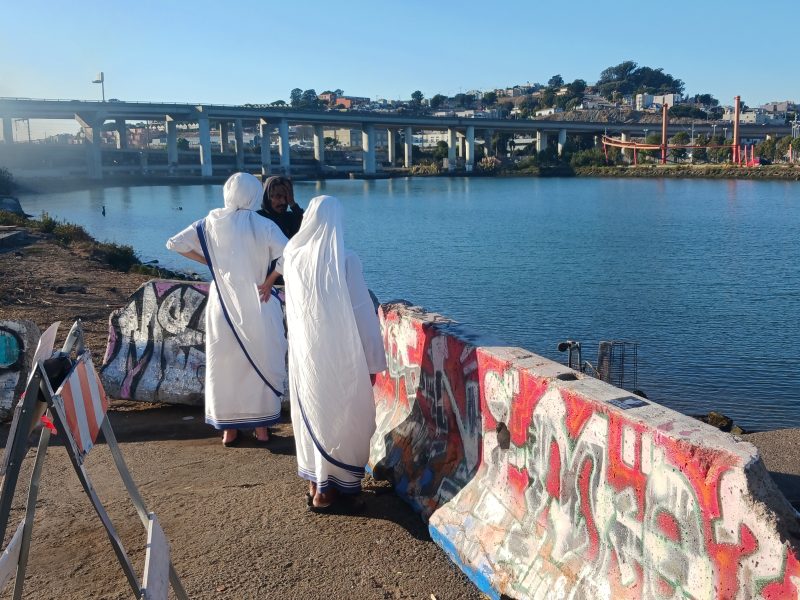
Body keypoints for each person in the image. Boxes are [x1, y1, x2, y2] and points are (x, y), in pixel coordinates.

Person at [276, 195, 386, 512]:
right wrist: (373, 359)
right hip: (342, 357)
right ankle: (339, 491)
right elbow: (362, 312)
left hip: (306, 357)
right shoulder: (346, 260)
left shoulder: (293, 257)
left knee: (313, 413)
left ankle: (317, 487)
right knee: (349, 417)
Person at [166, 173, 288, 447]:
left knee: (225, 366)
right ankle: (261, 429)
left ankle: (229, 431)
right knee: (262, 362)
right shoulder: (263, 224)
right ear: (255, 195)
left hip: (222, 303)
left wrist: (211, 262)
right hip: (259, 301)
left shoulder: (211, 222)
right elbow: (290, 253)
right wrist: (270, 281)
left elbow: (174, 243)